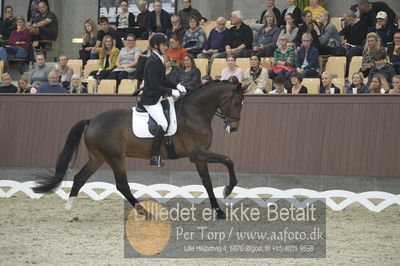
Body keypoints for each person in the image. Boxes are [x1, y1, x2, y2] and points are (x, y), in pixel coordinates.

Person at [138, 33, 185, 167]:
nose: (166, 47)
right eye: (164, 45)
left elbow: (163, 80)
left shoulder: (159, 59)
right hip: (151, 99)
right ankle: (154, 156)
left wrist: (176, 85)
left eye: (166, 44)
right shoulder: (152, 61)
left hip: (158, 97)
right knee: (163, 124)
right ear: (155, 46)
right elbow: (154, 85)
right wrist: (171, 91)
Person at [337, 10, 369, 75]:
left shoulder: (361, 24)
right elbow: (345, 35)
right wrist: (345, 42)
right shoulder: (348, 25)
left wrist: (348, 41)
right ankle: (340, 72)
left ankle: (348, 73)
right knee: (339, 50)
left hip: (358, 46)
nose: (345, 20)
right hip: (349, 45)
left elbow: (360, 39)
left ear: (351, 17)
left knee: (350, 52)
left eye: (345, 19)